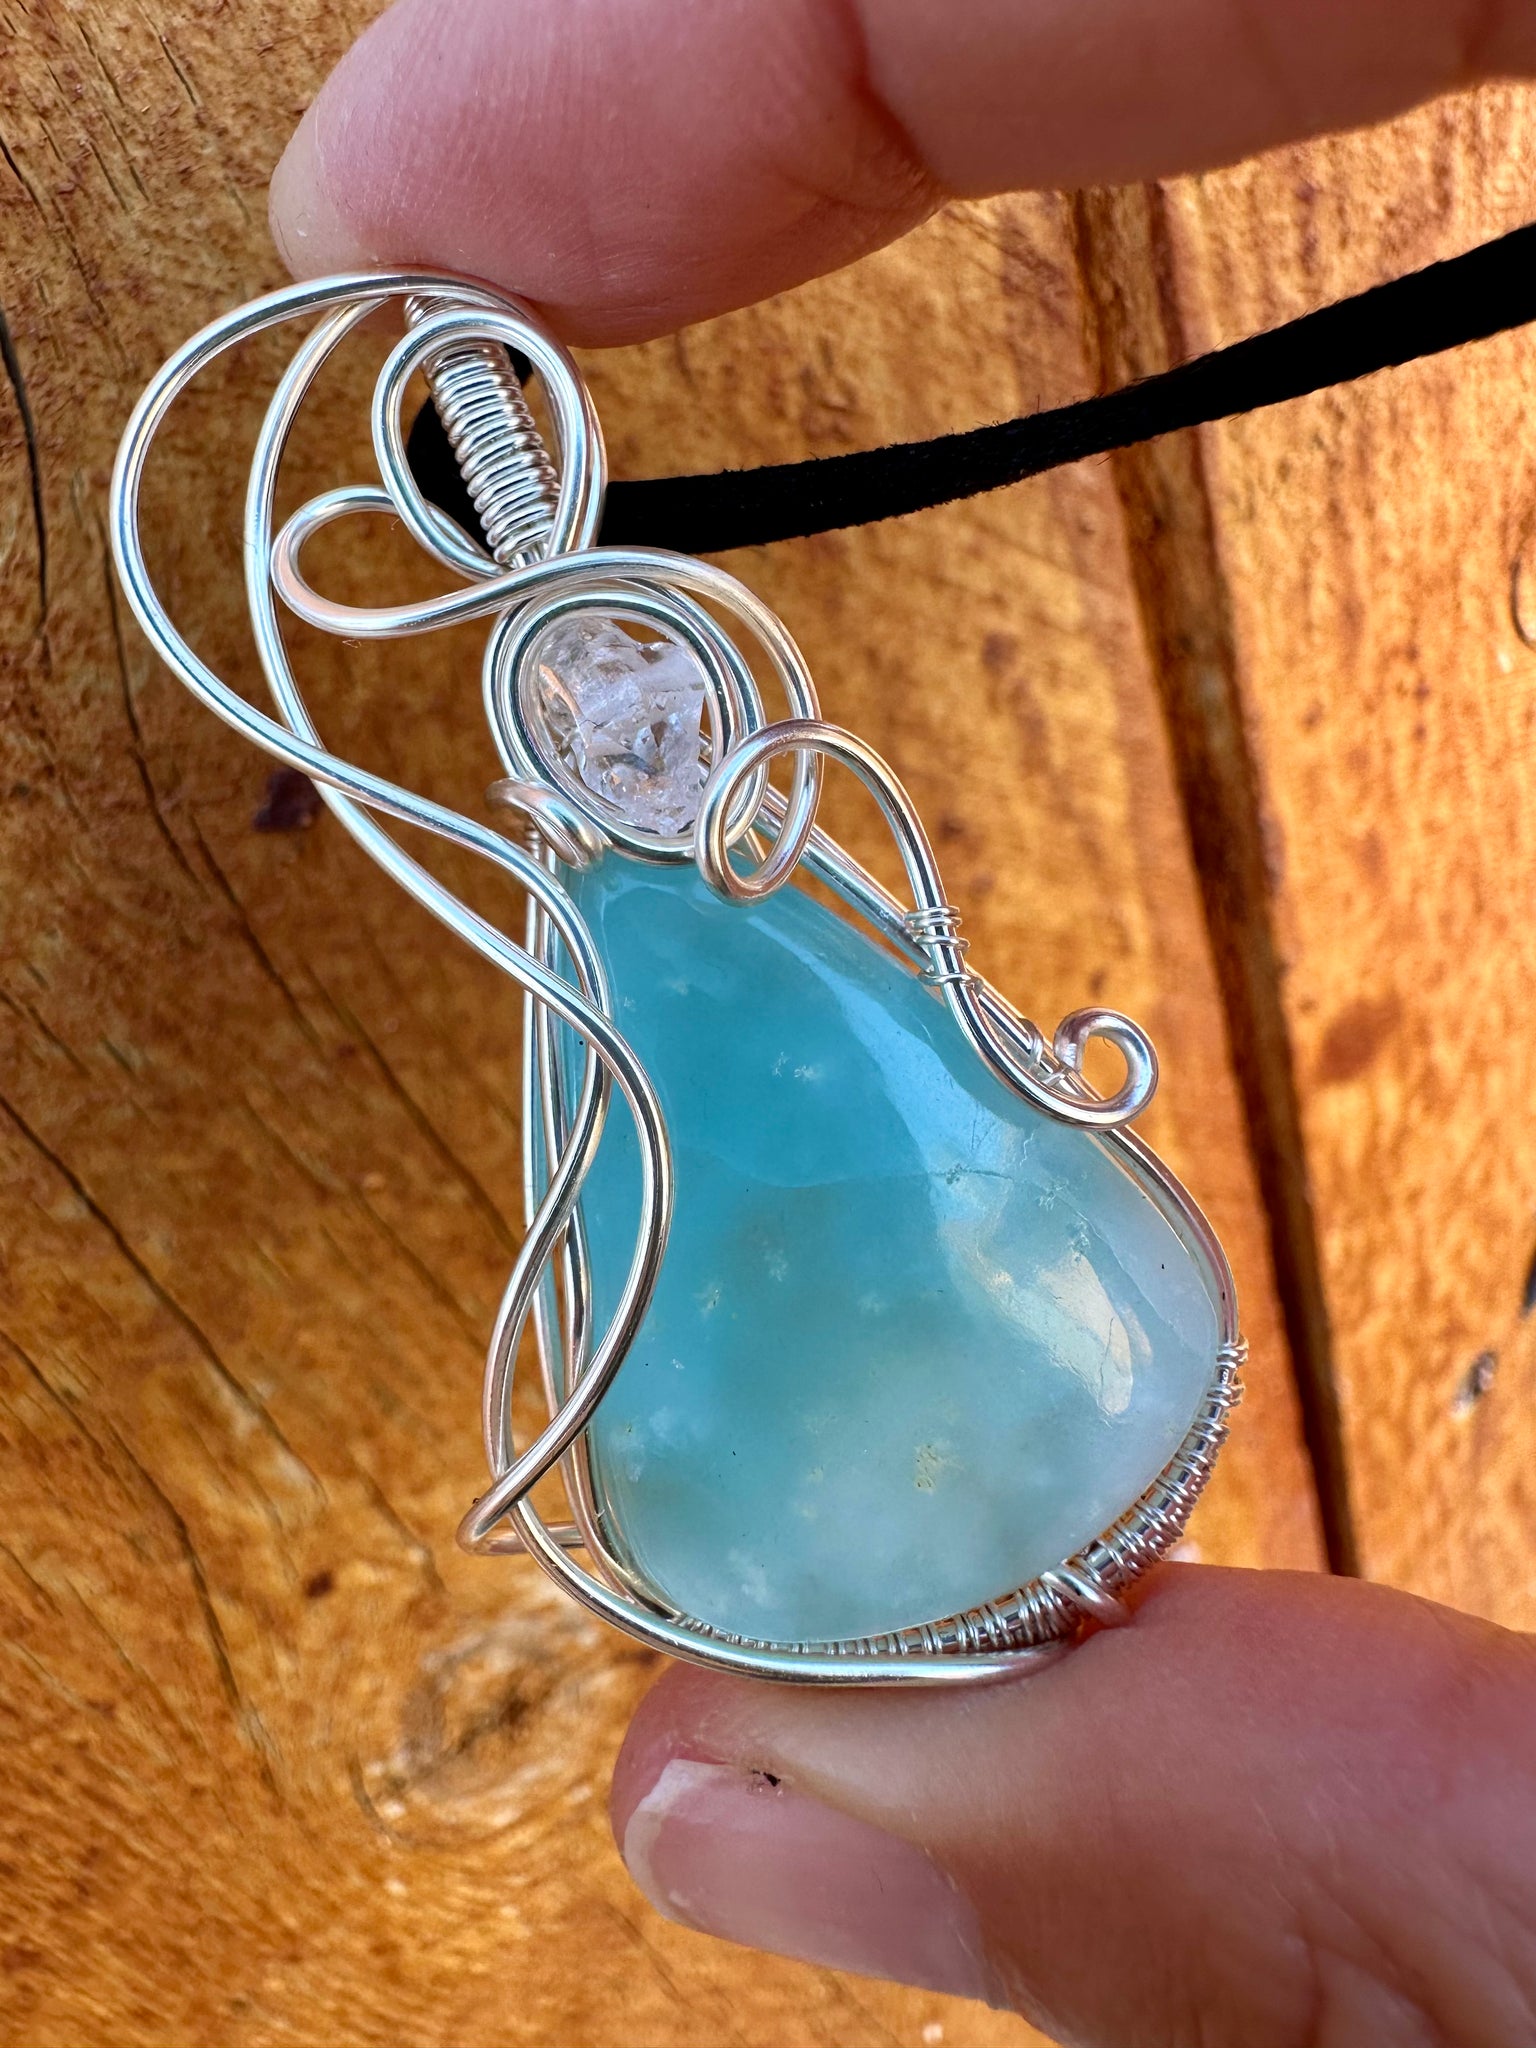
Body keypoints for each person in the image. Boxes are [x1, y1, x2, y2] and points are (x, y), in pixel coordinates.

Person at [268, 6, 1536, 2042]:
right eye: (598, 719)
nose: (624, 733)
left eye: (639, 706)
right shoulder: (641, 919)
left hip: (973, 1417)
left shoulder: (717, 896)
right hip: (941, 1437)